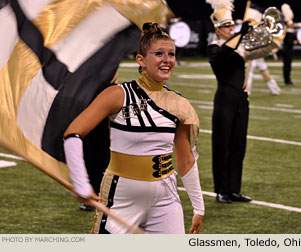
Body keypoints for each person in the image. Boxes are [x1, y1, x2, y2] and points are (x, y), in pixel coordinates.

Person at [63, 22, 204, 233]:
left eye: (171, 54)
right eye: (159, 54)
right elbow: (73, 134)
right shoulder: (118, 95)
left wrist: (198, 207)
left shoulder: (179, 104)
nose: (167, 60)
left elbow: (185, 160)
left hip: (166, 198)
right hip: (121, 197)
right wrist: (81, 183)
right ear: (141, 60)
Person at [206, 0, 283, 203]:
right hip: (224, 101)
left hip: (242, 100)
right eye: (226, 26)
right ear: (217, 29)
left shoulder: (240, 47)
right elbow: (225, 56)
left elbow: (268, 47)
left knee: (238, 146)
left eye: (231, 25)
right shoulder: (214, 48)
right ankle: (221, 191)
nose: (230, 28)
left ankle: (234, 189)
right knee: (221, 146)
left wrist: (267, 30)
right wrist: (242, 33)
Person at [280, 3, 297, 86]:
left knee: (288, 66)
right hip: (286, 51)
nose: (292, 25)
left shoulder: (289, 32)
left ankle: (288, 79)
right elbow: (289, 42)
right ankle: (287, 80)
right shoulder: (287, 32)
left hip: (288, 51)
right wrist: (295, 42)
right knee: (287, 66)